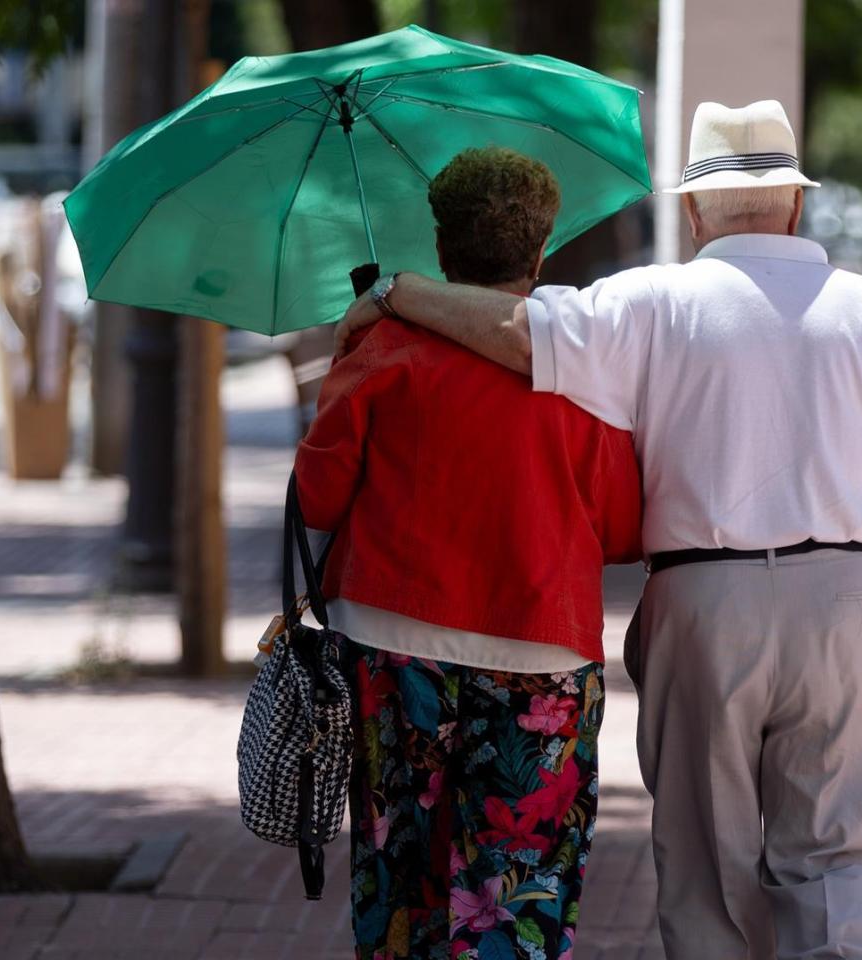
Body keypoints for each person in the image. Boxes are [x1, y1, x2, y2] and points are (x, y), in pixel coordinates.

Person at [336, 101, 862, 960]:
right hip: (849, 598)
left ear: (694, 211)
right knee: (845, 856)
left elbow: (516, 332)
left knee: (710, 866)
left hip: (705, 601)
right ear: (795, 206)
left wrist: (396, 292)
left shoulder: (651, 300)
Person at [293, 147, 643, 960]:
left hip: (391, 644)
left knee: (400, 878)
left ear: (444, 250)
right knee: (520, 891)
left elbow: (316, 497)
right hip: (539, 648)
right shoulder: (582, 374)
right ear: (542, 250)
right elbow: (623, 530)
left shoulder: (383, 352)